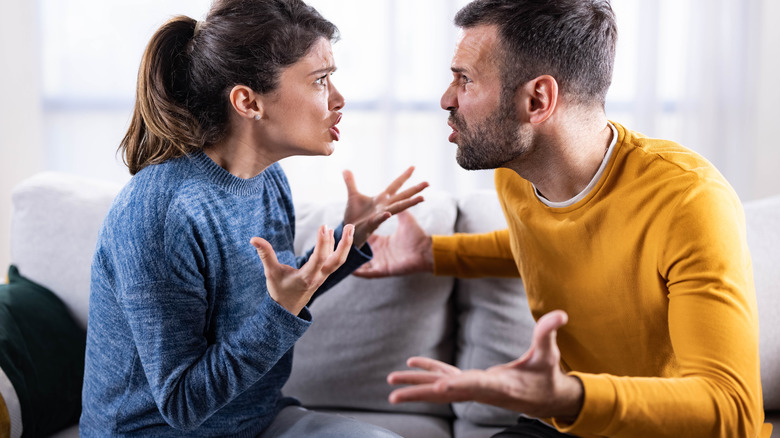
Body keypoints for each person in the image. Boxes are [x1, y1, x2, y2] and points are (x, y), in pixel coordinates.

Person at [356, 0, 771, 437]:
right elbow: (551, 244)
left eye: (465, 80)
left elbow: (732, 411)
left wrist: (569, 395)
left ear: (537, 99)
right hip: (569, 425)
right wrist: (432, 253)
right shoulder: (516, 176)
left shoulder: (688, 201)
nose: (446, 99)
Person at [79, 0, 425, 436]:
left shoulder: (268, 179)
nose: (338, 99)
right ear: (248, 101)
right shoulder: (163, 215)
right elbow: (183, 403)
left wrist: (348, 241)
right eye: (320, 80)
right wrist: (282, 309)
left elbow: (277, 295)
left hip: (255, 421)